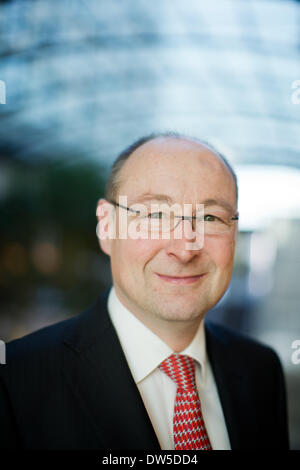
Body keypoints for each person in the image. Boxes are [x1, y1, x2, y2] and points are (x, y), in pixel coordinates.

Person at [0, 132, 289, 450]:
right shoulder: (17, 381)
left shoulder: (260, 370)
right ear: (107, 227)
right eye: (154, 215)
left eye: (210, 217)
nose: (184, 249)